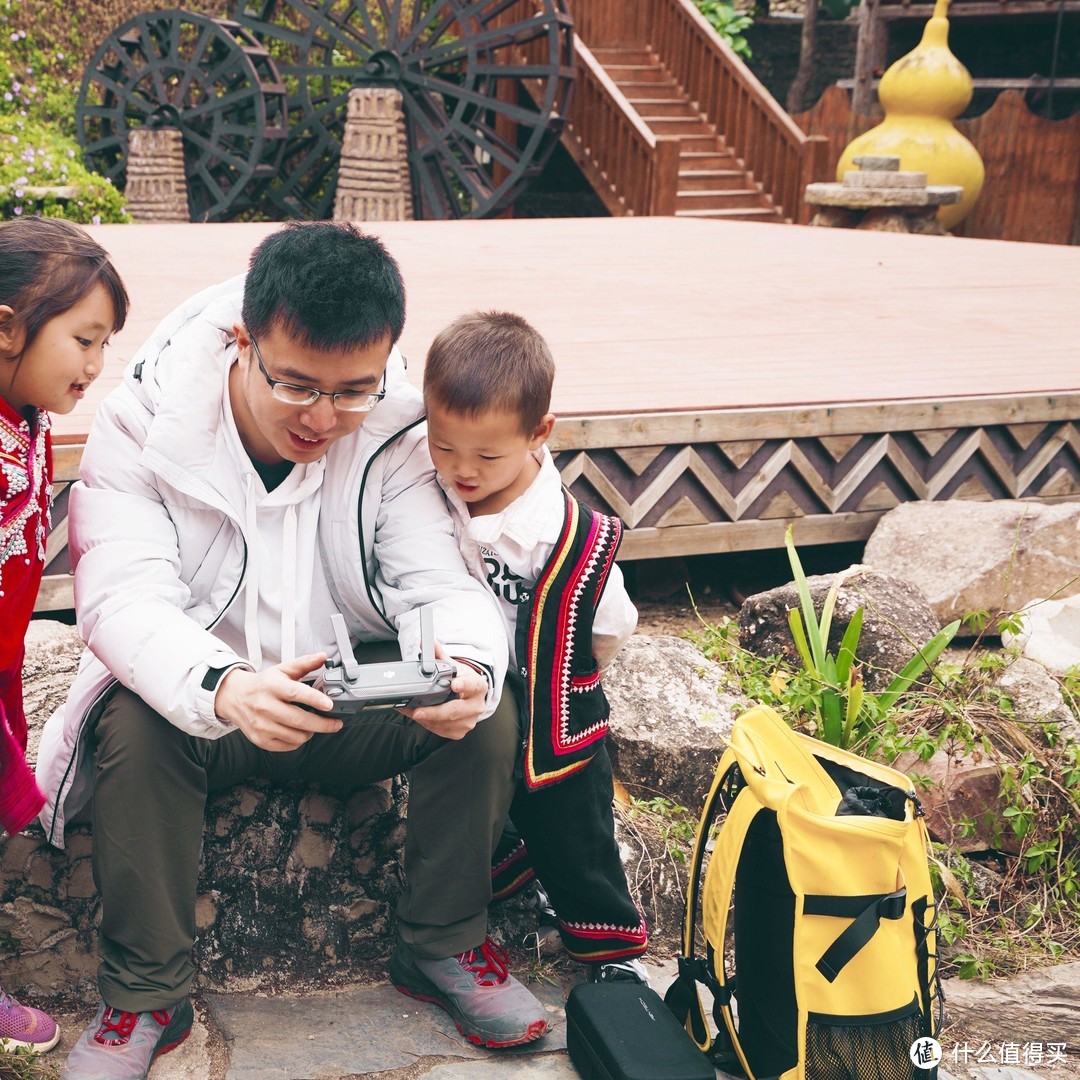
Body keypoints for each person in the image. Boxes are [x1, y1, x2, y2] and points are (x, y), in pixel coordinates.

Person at [34, 223, 549, 1079]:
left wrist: (463, 664)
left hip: (349, 702)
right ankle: (145, 996)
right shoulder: (143, 422)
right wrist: (227, 685)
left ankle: (443, 944)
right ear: (243, 339)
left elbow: (442, 584)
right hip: (210, 710)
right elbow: (122, 599)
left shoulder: (396, 429)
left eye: (354, 390)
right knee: (131, 720)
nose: (324, 418)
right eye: (297, 385)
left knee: (483, 708)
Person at [422, 311, 649, 984]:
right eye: (443, 446)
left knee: (576, 828)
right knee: (487, 798)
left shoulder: (566, 533)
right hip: (479, 690)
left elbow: (611, 624)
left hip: (558, 705)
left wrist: (572, 675)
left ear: (538, 434)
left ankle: (608, 951)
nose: (462, 470)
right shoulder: (433, 495)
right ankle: (508, 873)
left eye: (487, 456)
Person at [0, 217, 129, 1057]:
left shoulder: (25, 414)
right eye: (83, 339)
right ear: (5, 325)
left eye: (104, 343)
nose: (94, 364)